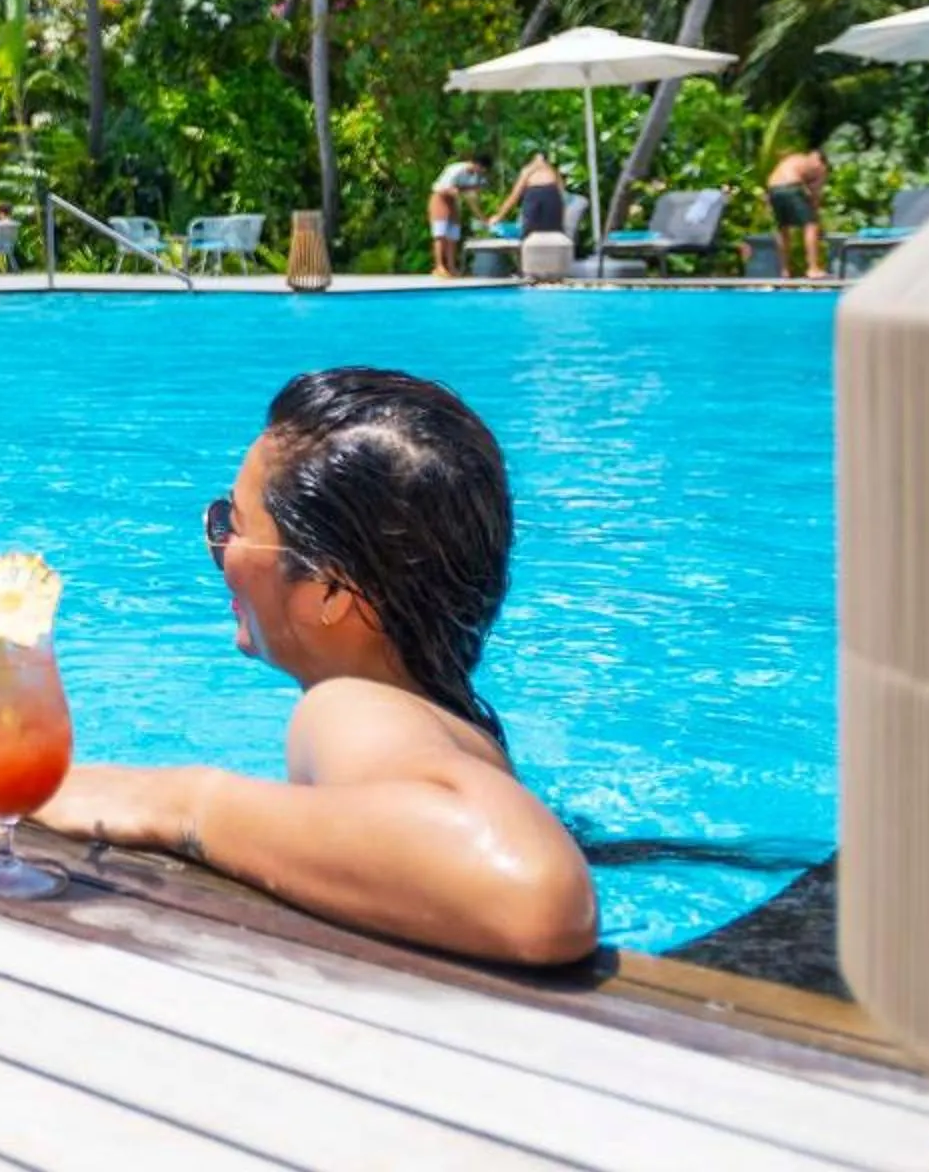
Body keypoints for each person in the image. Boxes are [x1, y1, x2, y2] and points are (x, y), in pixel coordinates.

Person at [31, 368, 597, 966]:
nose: (216, 547)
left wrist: (180, 804)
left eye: (234, 525)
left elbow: (536, 896)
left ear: (331, 591)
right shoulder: (450, 725)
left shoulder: (350, 707)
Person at [766, 147, 830, 279]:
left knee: (783, 229)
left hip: (773, 188)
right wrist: (815, 215)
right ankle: (813, 269)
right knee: (811, 226)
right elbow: (815, 195)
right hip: (792, 186)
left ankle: (784, 271)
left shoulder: (795, 158)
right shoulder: (819, 166)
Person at [427, 153, 492, 278]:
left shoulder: (477, 177)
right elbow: (445, 188)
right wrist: (460, 193)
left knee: (453, 234)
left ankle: (451, 266)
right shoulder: (456, 170)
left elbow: (473, 198)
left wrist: (482, 218)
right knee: (440, 233)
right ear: (475, 164)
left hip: (454, 200)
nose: (482, 172)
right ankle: (439, 266)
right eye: (481, 168)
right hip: (440, 197)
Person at [480, 152, 568, 242]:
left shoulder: (528, 170)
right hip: (552, 209)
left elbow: (514, 196)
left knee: (524, 234)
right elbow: (562, 195)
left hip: (535, 205)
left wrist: (498, 217)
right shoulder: (553, 171)